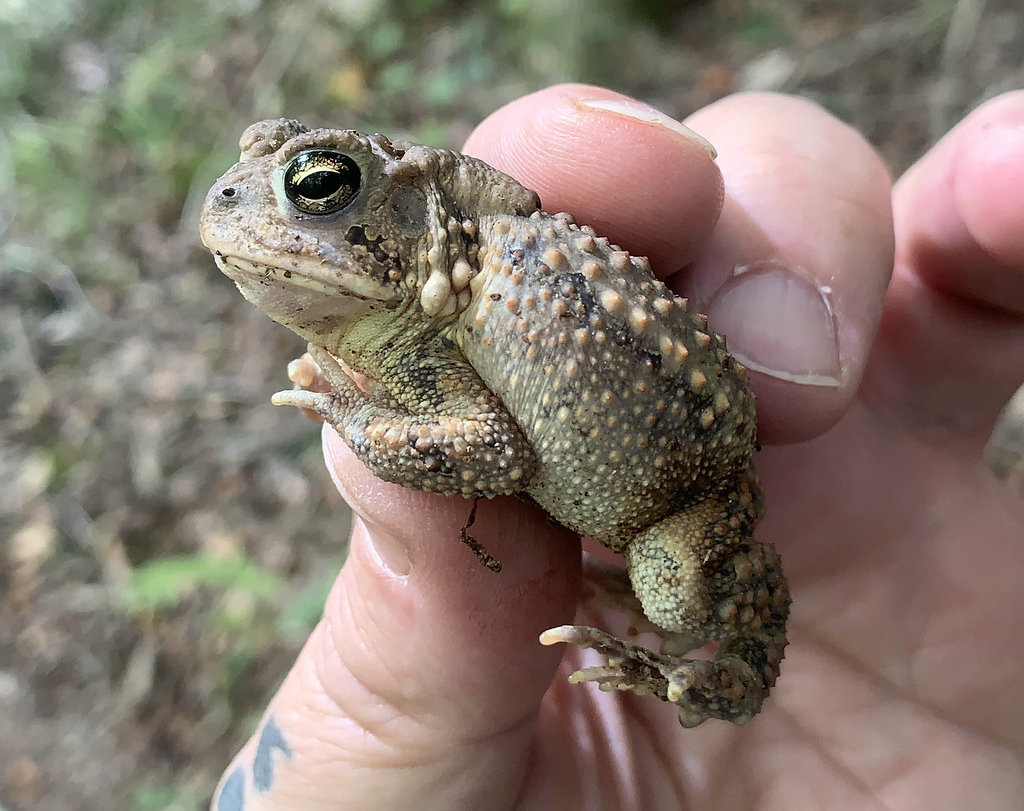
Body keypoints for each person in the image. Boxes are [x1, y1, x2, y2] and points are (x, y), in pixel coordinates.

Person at [212, 84, 1024, 810]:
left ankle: (731, 677)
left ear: (416, 212)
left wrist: (356, 420)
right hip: (616, 507)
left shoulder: (488, 285)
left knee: (674, 594)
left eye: (316, 189)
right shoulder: (423, 317)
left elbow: (493, 452)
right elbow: (487, 443)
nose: (236, 200)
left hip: (682, 502)